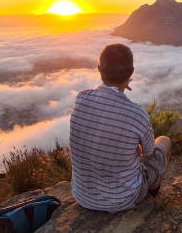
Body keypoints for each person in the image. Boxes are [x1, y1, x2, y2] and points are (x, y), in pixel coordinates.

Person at [69, 43, 172, 212]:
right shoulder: (137, 115)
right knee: (164, 141)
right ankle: (152, 193)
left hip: (82, 197)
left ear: (99, 69)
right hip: (122, 200)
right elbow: (148, 153)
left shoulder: (82, 98)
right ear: (131, 72)